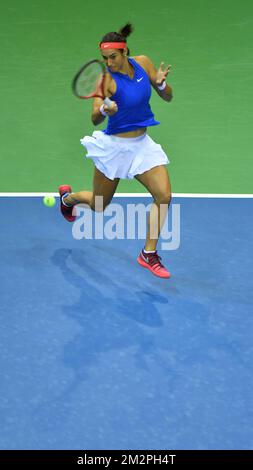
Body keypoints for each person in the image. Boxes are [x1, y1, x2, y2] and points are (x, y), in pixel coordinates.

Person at [59, 23, 173, 279]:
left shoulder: (143, 63)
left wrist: (162, 86)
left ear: (124, 53)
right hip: (115, 148)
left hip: (142, 146)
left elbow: (168, 97)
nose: (109, 62)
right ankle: (68, 200)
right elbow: (93, 119)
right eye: (105, 58)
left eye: (113, 57)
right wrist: (103, 110)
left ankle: (148, 254)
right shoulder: (105, 80)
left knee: (164, 195)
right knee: (100, 205)